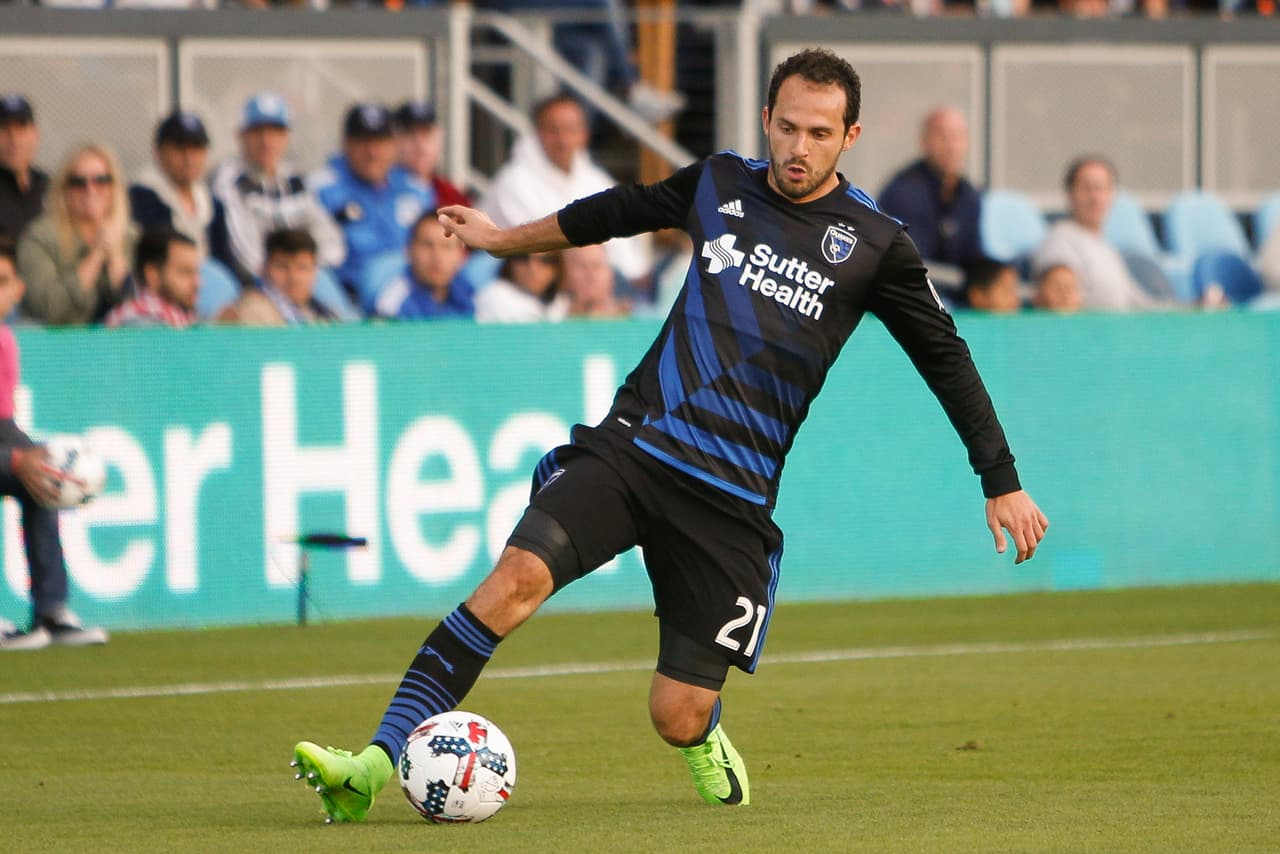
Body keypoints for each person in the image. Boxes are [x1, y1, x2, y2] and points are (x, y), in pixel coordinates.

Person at [291, 47, 1048, 822]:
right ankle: (373, 765)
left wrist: (1001, 478)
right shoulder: (720, 180)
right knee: (511, 582)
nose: (798, 147)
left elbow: (946, 356)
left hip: (729, 501)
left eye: (819, 133)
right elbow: (618, 211)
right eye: (786, 127)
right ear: (765, 120)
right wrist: (501, 240)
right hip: (634, 450)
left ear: (850, 136)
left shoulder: (876, 242)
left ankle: (704, 735)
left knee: (674, 712)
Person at [0, 234, 109, 651]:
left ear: (17, 290)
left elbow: (3, 425)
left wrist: (41, 460)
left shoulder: (6, 341)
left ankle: (51, 610)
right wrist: (14, 462)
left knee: (42, 480)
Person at [478, 93, 652, 285]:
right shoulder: (512, 182)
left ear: (584, 135)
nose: (562, 139)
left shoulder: (596, 179)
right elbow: (541, 252)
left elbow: (626, 249)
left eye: (570, 129)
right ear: (537, 133)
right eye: (553, 130)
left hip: (607, 286)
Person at [210, 92, 345, 284]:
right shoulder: (229, 181)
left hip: (304, 282)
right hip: (254, 287)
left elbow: (330, 241)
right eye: (258, 131)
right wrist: (289, 277)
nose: (267, 140)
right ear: (241, 135)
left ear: (287, 137)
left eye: (276, 131)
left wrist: (305, 272)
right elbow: (246, 256)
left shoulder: (294, 179)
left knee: (334, 299)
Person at [311, 102, 435, 297]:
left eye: (380, 142)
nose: (373, 152)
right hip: (349, 297)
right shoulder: (321, 188)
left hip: (412, 295)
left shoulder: (415, 189)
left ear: (394, 145)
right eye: (363, 143)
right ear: (346, 145)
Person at [17, 143, 136, 325]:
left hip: (120, 347)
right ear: (63, 189)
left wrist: (115, 256)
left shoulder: (131, 236)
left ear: (114, 187)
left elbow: (135, 309)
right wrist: (96, 255)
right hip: (57, 344)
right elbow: (50, 309)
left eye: (101, 180)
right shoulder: (39, 238)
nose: (90, 189)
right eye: (78, 183)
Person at [1031, 156, 1160, 312]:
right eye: (1086, 188)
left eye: (1101, 188)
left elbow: (1138, 303)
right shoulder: (1059, 240)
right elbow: (1060, 305)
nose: (1095, 197)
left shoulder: (1107, 248)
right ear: (1070, 194)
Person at [878, 107, 984, 272]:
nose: (951, 147)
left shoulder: (970, 195)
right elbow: (911, 264)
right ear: (924, 141)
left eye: (957, 137)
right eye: (942, 137)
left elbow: (974, 255)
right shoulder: (902, 193)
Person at [129, 111, 227, 261]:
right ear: (158, 152)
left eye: (196, 148)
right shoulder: (141, 198)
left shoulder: (213, 203)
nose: (189, 157)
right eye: (179, 147)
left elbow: (223, 260)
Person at [220, 228, 337, 326]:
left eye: (302, 268)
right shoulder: (252, 310)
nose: (293, 277)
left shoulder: (325, 313)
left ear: (315, 272)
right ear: (263, 269)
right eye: (282, 267)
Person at [373, 211, 474, 320]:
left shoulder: (472, 295)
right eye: (427, 245)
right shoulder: (392, 303)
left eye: (446, 247)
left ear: (461, 255)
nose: (437, 257)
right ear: (409, 250)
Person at [104, 227, 200, 328]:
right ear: (152, 274)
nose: (197, 283)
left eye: (196, 272)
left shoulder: (182, 318)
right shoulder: (139, 321)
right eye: (184, 272)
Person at [393, 100, 471, 209]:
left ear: (439, 139)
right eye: (410, 134)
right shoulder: (379, 187)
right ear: (395, 141)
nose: (420, 144)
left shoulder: (452, 195)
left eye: (426, 134)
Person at [0, 94, 47, 242]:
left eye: (21, 128)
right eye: (4, 129)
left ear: (35, 134)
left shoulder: (50, 187)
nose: (13, 139)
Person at [474, 250, 568, 323]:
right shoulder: (496, 295)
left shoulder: (562, 302)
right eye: (522, 257)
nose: (533, 268)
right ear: (510, 262)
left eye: (545, 260)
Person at [560, 243, 630, 318]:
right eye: (582, 266)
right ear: (566, 273)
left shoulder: (637, 316)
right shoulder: (554, 318)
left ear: (611, 274)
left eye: (596, 266)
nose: (590, 275)